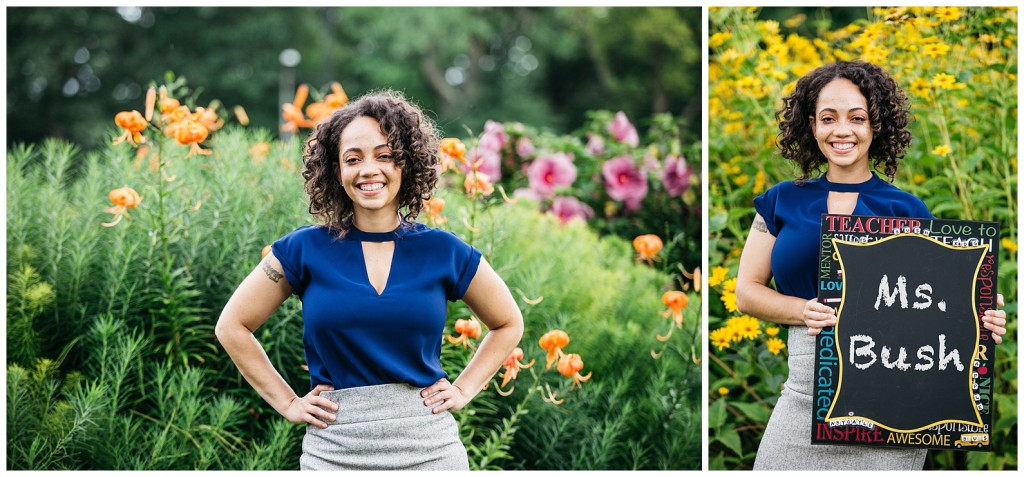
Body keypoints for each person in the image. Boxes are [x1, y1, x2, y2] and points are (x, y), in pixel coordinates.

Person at [215, 90, 524, 470]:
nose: (368, 170)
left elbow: (508, 322)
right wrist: (288, 403)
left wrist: (463, 389)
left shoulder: (445, 251)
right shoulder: (302, 250)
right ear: (335, 170)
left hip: (430, 452)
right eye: (353, 159)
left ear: (406, 163)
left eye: (384, 155)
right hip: (334, 452)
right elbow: (232, 326)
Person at [734, 61, 1009, 470]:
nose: (841, 130)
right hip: (803, 394)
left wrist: (980, 312)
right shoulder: (781, 200)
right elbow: (746, 292)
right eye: (828, 118)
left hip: (891, 407)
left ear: (875, 125)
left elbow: (938, 300)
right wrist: (801, 309)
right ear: (811, 125)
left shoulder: (907, 209)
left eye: (857, 118)